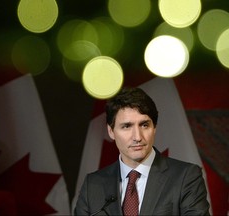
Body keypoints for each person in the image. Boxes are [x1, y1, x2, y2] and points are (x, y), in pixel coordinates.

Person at [74, 87, 210, 215]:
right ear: (111, 131)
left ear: (154, 128)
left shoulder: (186, 177)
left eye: (144, 125)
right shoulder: (92, 185)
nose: (138, 137)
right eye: (127, 126)